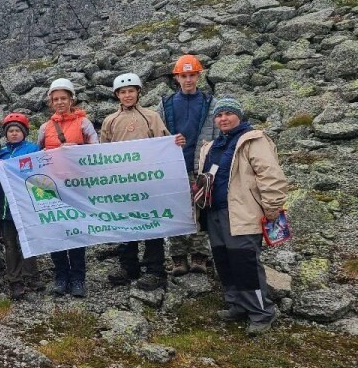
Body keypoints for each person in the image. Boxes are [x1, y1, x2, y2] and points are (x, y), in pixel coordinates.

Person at [197, 98, 288, 336]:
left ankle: (261, 312)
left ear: (239, 116)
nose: (223, 119)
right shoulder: (212, 145)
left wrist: (271, 208)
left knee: (245, 263)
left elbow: (271, 176)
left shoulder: (253, 140)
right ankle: (237, 304)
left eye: (228, 113)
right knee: (224, 260)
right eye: (219, 115)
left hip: (242, 213)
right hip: (214, 213)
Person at [99, 72, 181, 291]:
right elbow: (103, 154)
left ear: (138, 93)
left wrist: (175, 143)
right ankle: (129, 266)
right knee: (126, 224)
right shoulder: (110, 120)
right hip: (123, 184)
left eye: (131, 91)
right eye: (123, 92)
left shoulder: (151, 116)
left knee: (151, 223)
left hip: (149, 183)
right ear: (117, 95)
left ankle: (155, 270)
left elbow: (164, 144)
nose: (127, 95)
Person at [35, 78, 99, 297]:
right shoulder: (45, 127)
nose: (60, 102)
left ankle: (78, 278)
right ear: (51, 102)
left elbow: (97, 151)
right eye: (56, 99)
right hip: (52, 187)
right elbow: (37, 155)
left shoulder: (84, 124)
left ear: (72, 99)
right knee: (57, 231)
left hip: (77, 185)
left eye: (64, 98)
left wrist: (78, 149)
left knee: (76, 231)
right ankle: (61, 277)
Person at [158, 54, 217, 276]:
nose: (188, 79)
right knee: (176, 212)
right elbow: (159, 134)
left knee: (201, 211)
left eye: (192, 75)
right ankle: (178, 259)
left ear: (199, 76)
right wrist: (169, 140)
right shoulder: (166, 104)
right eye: (184, 75)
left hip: (200, 168)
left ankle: (199, 257)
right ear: (177, 77)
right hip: (174, 168)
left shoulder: (210, 103)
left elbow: (218, 132)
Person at [0, 113, 43, 302]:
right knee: (10, 244)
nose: (14, 134)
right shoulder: (1, 153)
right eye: (10, 131)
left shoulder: (33, 149)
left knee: (28, 241)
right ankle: (15, 280)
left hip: (25, 204)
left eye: (17, 130)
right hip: (5, 207)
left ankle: (32, 275)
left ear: (24, 132)